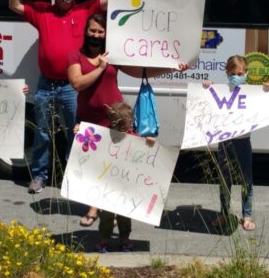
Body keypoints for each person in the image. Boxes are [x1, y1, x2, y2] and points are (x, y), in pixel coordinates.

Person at [9, 0, 116, 194]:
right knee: (43, 134)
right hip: (46, 84)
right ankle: (39, 177)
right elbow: (14, 4)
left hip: (72, 86)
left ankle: (74, 177)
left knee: (75, 134)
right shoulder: (42, 11)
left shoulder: (84, 9)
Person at [66, 12, 190, 227]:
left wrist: (172, 67)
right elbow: (77, 83)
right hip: (88, 120)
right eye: (92, 30)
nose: (96, 35)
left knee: (115, 165)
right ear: (86, 32)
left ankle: (109, 210)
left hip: (117, 119)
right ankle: (95, 207)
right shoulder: (75, 56)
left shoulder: (112, 54)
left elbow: (141, 71)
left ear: (106, 34)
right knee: (94, 166)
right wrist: (100, 68)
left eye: (100, 31)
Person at [204, 55, 269, 232]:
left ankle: (246, 215)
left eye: (240, 73)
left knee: (246, 179)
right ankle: (224, 213)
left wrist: (267, 90)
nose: (236, 76)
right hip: (225, 141)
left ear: (246, 73)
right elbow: (208, 99)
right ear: (227, 73)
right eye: (233, 73)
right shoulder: (221, 90)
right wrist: (206, 87)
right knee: (224, 179)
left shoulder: (251, 91)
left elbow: (265, 103)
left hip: (243, 142)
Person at [94, 101, 149, 253]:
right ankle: (105, 238)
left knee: (125, 215)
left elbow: (144, 153)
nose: (121, 130)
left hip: (126, 185)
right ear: (111, 123)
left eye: (125, 127)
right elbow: (90, 142)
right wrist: (79, 132)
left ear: (130, 123)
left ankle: (125, 238)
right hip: (108, 184)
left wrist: (148, 143)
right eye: (118, 126)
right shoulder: (104, 134)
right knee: (106, 215)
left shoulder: (134, 137)